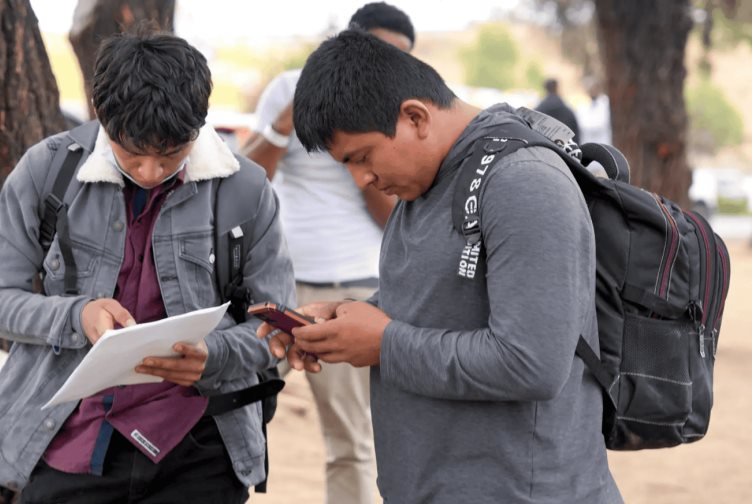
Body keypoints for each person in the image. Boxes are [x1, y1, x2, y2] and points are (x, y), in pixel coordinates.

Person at [259, 29, 623, 503]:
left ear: (415, 117)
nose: (361, 178)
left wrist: (384, 343)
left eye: (362, 157)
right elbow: (439, 302)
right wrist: (348, 319)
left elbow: (532, 363)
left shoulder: (524, 180)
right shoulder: (425, 178)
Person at [0, 25, 295, 503]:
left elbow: (278, 324)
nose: (150, 172)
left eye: (170, 155)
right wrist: (76, 315)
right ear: (103, 119)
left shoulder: (245, 189)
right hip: (69, 438)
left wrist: (215, 356)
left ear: (199, 125)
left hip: (200, 447)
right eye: (133, 154)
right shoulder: (47, 171)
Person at [240, 3, 413, 503]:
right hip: (283, 285)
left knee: (350, 439)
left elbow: (391, 215)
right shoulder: (289, 87)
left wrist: (357, 150)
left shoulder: (394, 108)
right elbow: (250, 180)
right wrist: (289, 118)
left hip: (356, 284)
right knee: (237, 405)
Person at [535, 77, 581, 144]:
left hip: (545, 149)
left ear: (545, 88)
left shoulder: (538, 111)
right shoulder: (568, 110)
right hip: (566, 150)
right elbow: (576, 135)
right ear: (557, 88)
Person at [577, 77, 612, 145]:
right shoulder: (584, 105)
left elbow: (601, 124)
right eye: (590, 89)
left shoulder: (605, 103)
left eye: (594, 89)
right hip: (588, 142)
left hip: (603, 142)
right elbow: (581, 124)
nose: (592, 92)